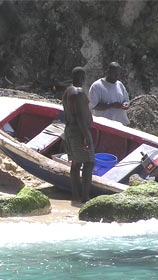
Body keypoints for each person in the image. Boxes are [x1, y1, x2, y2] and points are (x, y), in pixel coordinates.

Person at [62, 67, 95, 203]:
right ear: (82, 77)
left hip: (70, 130)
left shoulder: (67, 91)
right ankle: (85, 196)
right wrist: (87, 136)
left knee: (76, 164)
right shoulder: (79, 92)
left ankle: (75, 195)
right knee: (89, 162)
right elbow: (80, 116)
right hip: (79, 131)